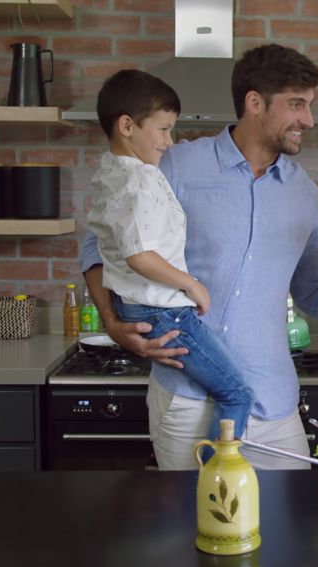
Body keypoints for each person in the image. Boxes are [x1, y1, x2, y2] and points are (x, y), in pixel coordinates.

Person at [79, 45, 318, 470]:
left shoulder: (304, 194)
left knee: (286, 530)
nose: (308, 120)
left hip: (274, 404)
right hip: (186, 401)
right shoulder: (176, 165)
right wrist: (113, 323)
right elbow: (98, 243)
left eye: (309, 106)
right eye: (296, 104)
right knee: (193, 531)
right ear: (254, 103)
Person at [86, 69, 255, 446]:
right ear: (127, 125)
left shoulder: (111, 170)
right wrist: (191, 284)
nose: (170, 140)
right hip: (163, 310)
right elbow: (137, 255)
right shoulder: (139, 179)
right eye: (163, 129)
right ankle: (216, 478)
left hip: (141, 307)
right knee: (238, 394)